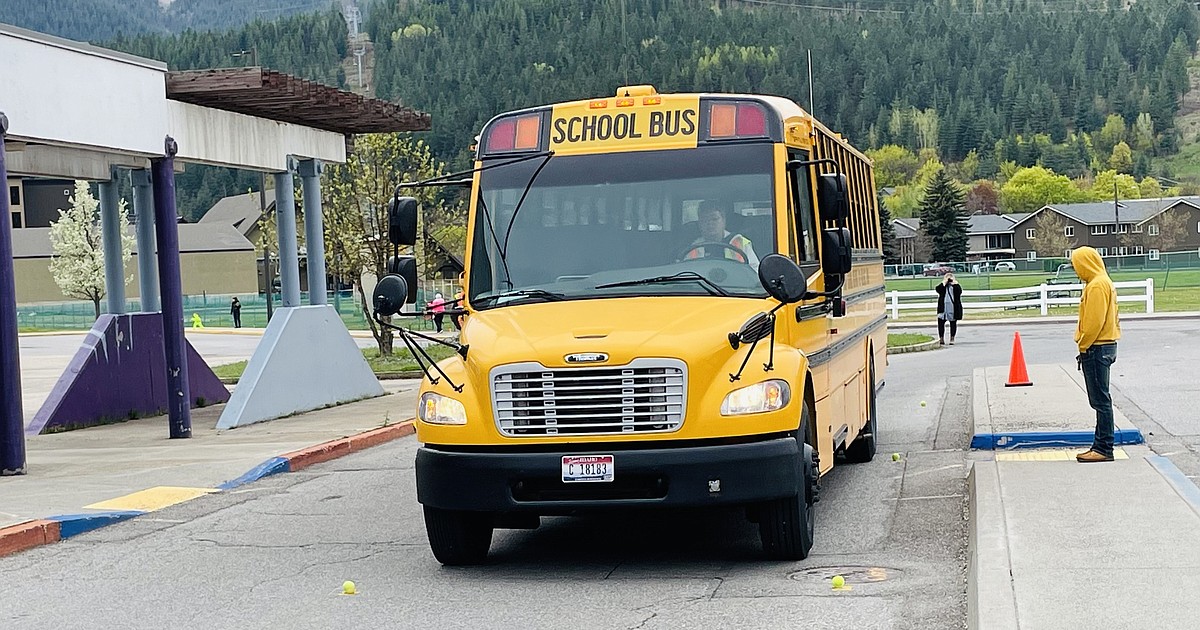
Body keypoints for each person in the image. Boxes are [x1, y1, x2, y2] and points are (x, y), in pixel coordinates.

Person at [1071, 247, 1121, 463]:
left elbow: (1094, 322)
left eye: (1077, 265)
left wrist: (1083, 344)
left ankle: (1103, 448)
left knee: (1100, 400)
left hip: (1097, 347)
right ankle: (1101, 446)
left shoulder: (1097, 285)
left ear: (1086, 263)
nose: (1076, 270)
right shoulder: (1101, 281)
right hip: (1104, 346)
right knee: (1101, 399)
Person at [686, 201, 760, 269]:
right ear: (699, 224)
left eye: (714, 219)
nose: (710, 223)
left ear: (724, 221)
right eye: (705, 220)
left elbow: (755, 272)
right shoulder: (694, 248)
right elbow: (686, 274)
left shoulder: (740, 243)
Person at [934, 273, 962, 345]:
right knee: (940, 323)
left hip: (953, 308)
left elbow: (959, 292)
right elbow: (937, 289)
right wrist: (944, 282)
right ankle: (941, 338)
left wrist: (954, 283)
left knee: (953, 323)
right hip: (943, 308)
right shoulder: (942, 287)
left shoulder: (955, 287)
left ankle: (952, 338)